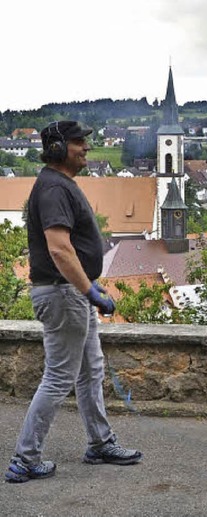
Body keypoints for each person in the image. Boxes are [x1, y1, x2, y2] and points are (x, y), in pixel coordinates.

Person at [4, 120, 142, 483]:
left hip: (71, 294)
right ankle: (25, 458)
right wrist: (88, 290)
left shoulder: (60, 185)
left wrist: (86, 290)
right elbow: (59, 248)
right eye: (79, 142)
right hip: (64, 293)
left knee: (90, 369)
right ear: (58, 148)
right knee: (58, 377)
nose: (86, 148)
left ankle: (100, 442)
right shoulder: (52, 188)